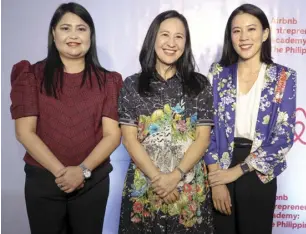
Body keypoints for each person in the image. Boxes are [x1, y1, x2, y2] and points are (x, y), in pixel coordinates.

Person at [10, 2, 122, 234]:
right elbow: (24, 132)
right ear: (53, 33)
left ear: (91, 34)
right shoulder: (31, 76)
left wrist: (82, 171)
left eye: (81, 29)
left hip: (93, 182)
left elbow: (112, 135)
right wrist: (63, 174)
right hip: (43, 181)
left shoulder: (108, 81)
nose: (73, 35)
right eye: (65, 28)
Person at [118, 10, 215, 234]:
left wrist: (175, 176)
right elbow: (129, 140)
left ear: (186, 43)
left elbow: (203, 139)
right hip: (145, 188)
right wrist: (158, 179)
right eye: (165, 35)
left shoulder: (199, 85)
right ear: (153, 38)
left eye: (179, 37)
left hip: (189, 189)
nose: (171, 43)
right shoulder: (132, 85)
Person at [205, 3, 296, 234]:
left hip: (259, 170)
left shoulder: (283, 77)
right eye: (237, 31)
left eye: (251, 29)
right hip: (220, 164)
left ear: (265, 33)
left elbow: (283, 136)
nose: (244, 37)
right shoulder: (217, 75)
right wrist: (217, 180)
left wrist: (237, 171)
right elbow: (208, 131)